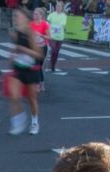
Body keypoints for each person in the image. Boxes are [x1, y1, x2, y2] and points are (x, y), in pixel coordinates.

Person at [7, 7, 42, 135]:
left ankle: (34, 122)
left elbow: (39, 55)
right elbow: (15, 48)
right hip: (18, 68)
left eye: (18, 16)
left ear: (26, 19)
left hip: (31, 69)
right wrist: (12, 55)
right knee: (14, 96)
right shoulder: (15, 32)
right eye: (14, 16)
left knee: (32, 99)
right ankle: (19, 121)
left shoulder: (31, 33)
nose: (15, 18)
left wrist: (24, 50)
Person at [30, 7, 51, 92]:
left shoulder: (44, 24)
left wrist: (41, 35)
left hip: (43, 47)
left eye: (36, 14)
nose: (34, 15)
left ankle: (41, 83)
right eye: (34, 13)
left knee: (40, 67)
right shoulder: (31, 24)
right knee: (36, 65)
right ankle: (38, 84)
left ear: (41, 15)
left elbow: (49, 37)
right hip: (34, 47)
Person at [46, 1, 67, 72]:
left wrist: (59, 25)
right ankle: (51, 64)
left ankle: (53, 65)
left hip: (60, 37)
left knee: (56, 52)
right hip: (52, 37)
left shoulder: (64, 16)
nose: (58, 7)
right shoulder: (51, 15)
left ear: (62, 8)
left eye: (59, 6)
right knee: (54, 50)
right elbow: (47, 22)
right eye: (57, 6)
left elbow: (63, 24)